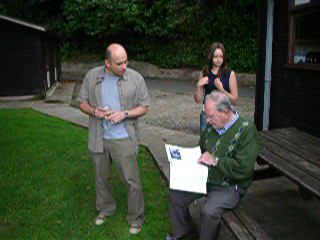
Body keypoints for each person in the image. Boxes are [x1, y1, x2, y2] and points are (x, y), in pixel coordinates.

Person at [77, 43, 150, 235]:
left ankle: (136, 218)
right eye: (119, 63)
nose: (125, 66)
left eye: (126, 61)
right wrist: (95, 111)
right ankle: (106, 209)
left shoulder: (136, 78)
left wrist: (124, 114)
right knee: (101, 178)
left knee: (132, 181)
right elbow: (81, 102)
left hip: (123, 138)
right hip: (98, 137)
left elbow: (144, 107)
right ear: (107, 63)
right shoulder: (92, 76)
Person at [169, 91, 259, 240]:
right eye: (207, 115)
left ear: (225, 112)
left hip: (230, 186)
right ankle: (185, 232)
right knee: (176, 196)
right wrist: (183, 159)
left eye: (211, 116)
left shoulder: (247, 130)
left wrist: (216, 161)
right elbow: (201, 149)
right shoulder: (212, 127)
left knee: (209, 211)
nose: (208, 120)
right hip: (206, 178)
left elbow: (244, 168)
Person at [194, 42, 238, 133]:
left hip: (224, 115)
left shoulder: (230, 74)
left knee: (224, 145)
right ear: (210, 57)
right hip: (207, 115)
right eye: (215, 57)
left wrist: (221, 89)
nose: (218, 60)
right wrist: (198, 85)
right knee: (205, 144)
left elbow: (235, 100)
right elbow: (198, 99)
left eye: (221, 57)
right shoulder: (205, 72)